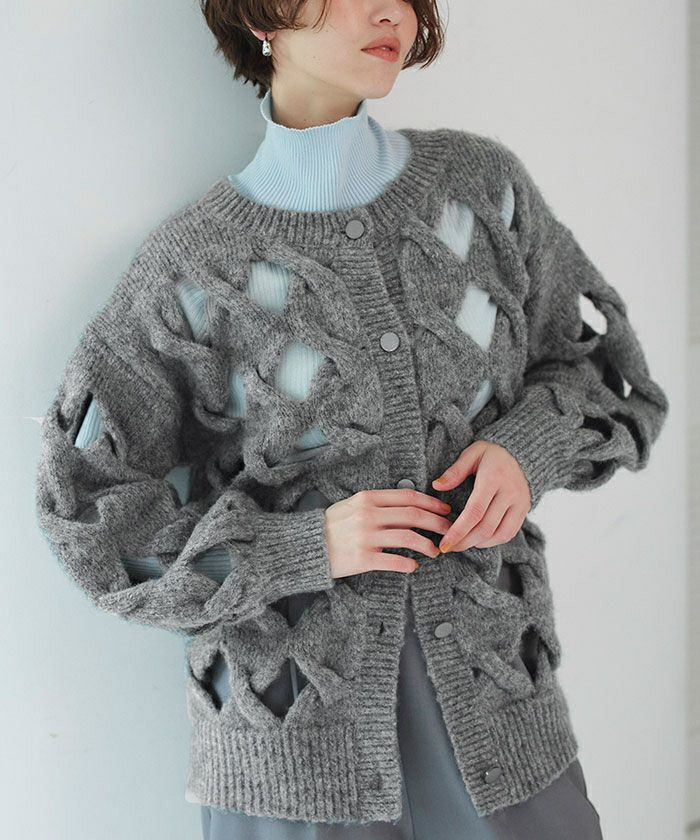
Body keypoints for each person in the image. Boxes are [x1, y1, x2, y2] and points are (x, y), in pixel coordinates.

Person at [35, 1, 669, 838]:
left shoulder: (480, 194)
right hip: (288, 732)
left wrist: (527, 451)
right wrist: (307, 547)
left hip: (497, 698)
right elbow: (90, 517)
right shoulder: (192, 271)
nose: (386, 10)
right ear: (261, 17)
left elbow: (606, 374)